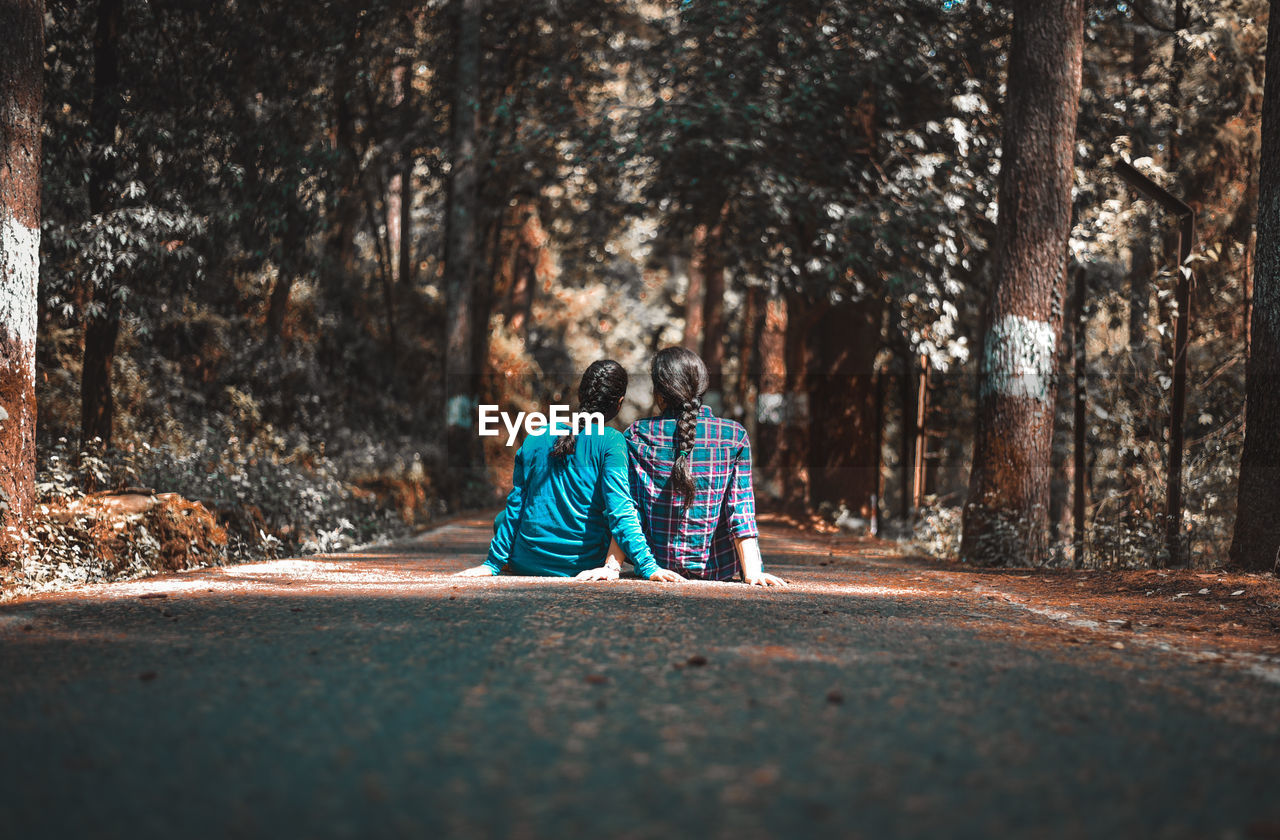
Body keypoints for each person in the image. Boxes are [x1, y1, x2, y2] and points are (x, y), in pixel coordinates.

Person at [456, 359, 684, 582]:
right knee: (630, 513)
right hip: (584, 564)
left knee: (501, 519)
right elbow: (621, 510)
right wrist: (648, 566)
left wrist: (491, 564)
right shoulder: (612, 441)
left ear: (580, 396)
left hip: (526, 562)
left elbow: (516, 505)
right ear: (619, 402)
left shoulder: (535, 436)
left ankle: (510, 558)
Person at [625, 347, 787, 586]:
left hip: (655, 568)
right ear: (703, 386)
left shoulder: (637, 434)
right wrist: (753, 572)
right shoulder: (733, 436)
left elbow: (630, 508)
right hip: (715, 570)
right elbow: (740, 510)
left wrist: (612, 565)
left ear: (659, 392)